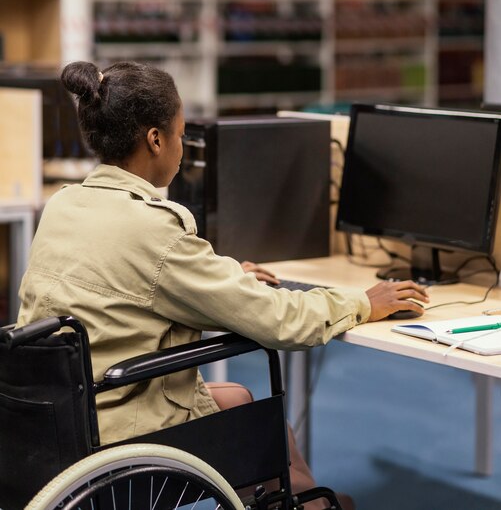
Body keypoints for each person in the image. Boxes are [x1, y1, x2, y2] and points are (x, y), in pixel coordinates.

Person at [16, 61, 429, 510]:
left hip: (56, 424)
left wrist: (226, 278)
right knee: (257, 416)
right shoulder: (156, 229)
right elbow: (278, 322)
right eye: (180, 133)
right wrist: (361, 302)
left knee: (239, 397)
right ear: (155, 140)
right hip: (121, 436)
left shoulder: (64, 205)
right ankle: (312, 503)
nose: (181, 146)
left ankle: (308, 501)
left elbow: (128, 284)